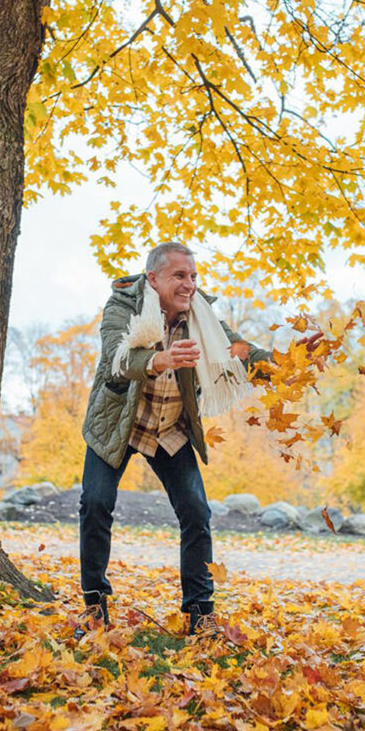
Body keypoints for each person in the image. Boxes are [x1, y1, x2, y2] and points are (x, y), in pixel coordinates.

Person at [77, 242, 310, 637]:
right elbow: (116, 357)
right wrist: (157, 360)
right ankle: (95, 607)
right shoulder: (122, 306)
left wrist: (286, 363)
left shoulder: (200, 314)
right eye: (180, 276)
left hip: (170, 428)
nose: (190, 285)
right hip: (118, 423)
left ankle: (200, 613)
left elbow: (240, 352)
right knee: (96, 504)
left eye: (194, 276)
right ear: (153, 279)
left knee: (197, 514)